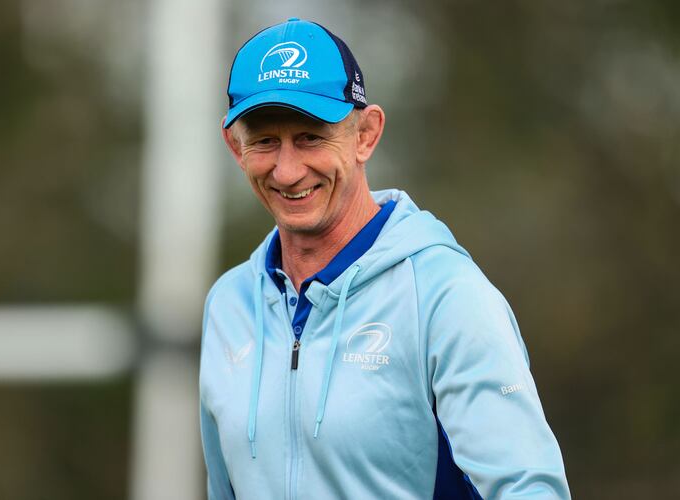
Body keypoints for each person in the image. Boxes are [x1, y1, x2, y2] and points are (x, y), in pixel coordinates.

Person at [200, 18, 570, 500]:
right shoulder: (228, 305)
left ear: (365, 135)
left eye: (311, 137)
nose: (287, 171)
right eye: (266, 141)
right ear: (236, 147)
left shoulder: (445, 294)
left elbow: (530, 490)